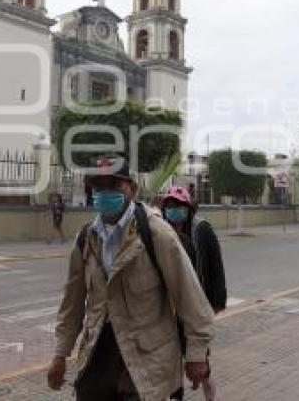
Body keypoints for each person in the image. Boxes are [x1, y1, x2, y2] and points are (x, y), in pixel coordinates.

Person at [48, 155, 214, 401]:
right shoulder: (86, 239)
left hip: (144, 363)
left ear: (132, 189)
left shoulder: (156, 233)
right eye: (99, 187)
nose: (105, 193)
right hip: (97, 360)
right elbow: (72, 303)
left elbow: (190, 297)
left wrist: (196, 355)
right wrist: (60, 354)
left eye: (113, 185)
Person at [160, 185, 226, 401]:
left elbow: (216, 267)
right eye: (169, 206)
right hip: (168, 310)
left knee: (201, 364)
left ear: (189, 208)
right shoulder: (159, 232)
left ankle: (208, 389)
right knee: (171, 363)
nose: (173, 210)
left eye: (178, 206)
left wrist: (217, 302)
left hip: (196, 307)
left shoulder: (201, 230)